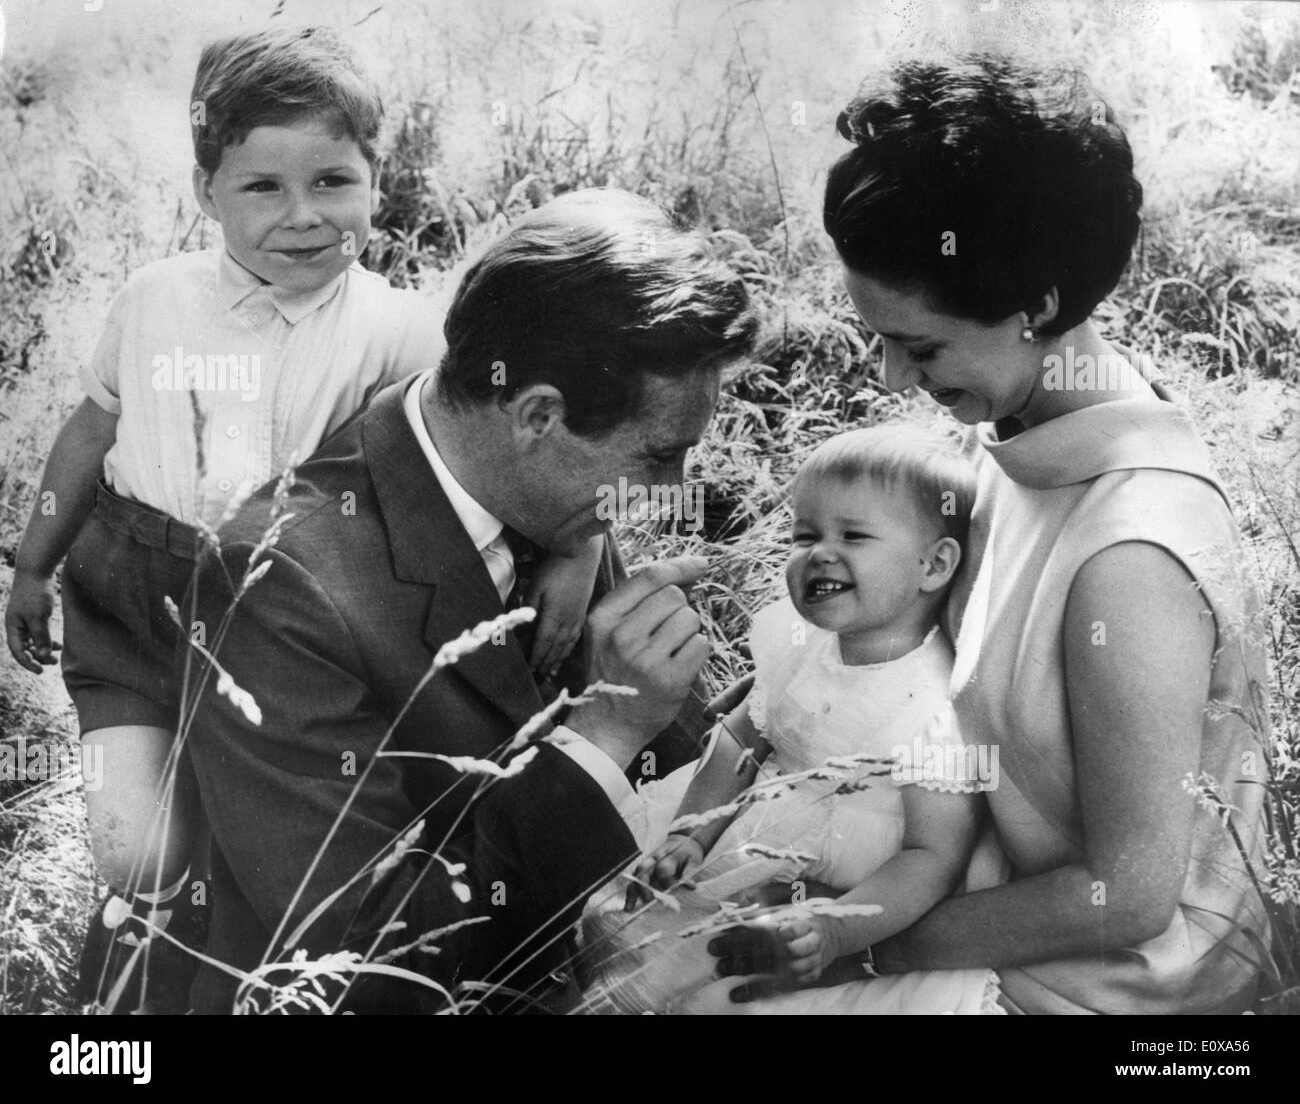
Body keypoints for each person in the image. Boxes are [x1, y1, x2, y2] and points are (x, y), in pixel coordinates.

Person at [1, 24, 596, 1013]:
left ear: (375, 176)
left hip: (288, 629)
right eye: (261, 188)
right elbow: (89, 429)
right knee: (137, 847)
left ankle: (215, 971)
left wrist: (577, 544)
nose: (303, 217)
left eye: (332, 181)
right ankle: (131, 936)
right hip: (134, 599)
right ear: (206, 193)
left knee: (260, 852)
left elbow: (510, 442)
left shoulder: (401, 328)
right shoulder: (155, 301)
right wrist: (32, 563)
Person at [709, 54, 1271, 1014]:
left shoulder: (1130, 557)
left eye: (920, 347)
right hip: (941, 877)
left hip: (1087, 992)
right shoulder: (1022, 432)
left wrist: (850, 949)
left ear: (1038, 307)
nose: (890, 381)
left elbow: (1126, 897)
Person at [181, 187, 759, 1014]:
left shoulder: (541, 489)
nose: (672, 492)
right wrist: (605, 735)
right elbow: (359, 962)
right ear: (537, 415)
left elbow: (667, 780)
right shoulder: (279, 582)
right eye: (662, 456)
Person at [579, 425, 1006, 1014]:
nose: (819, 554)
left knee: (729, 996)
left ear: (932, 565)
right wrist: (691, 831)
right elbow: (740, 743)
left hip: (845, 895)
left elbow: (932, 857)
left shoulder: (934, 702)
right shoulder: (796, 641)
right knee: (621, 925)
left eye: (854, 536)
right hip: (743, 839)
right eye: (804, 534)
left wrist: (834, 930)